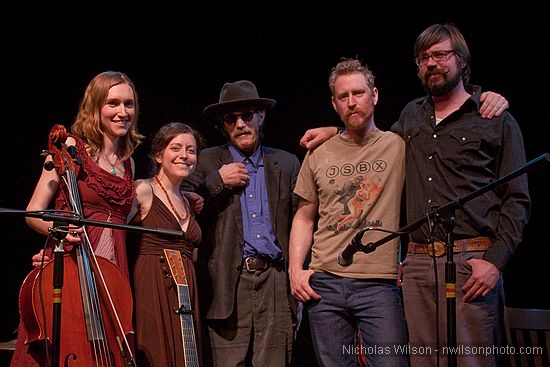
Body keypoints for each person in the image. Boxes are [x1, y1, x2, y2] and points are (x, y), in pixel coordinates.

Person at [390, 23, 530, 367]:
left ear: (462, 61)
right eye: (423, 58)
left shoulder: (495, 118)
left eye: (440, 54)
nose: (431, 63)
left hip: (472, 263)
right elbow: (375, 153)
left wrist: (494, 262)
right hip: (419, 265)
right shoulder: (411, 115)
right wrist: (334, 131)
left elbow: (517, 200)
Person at [11, 70, 143, 367]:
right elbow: (33, 212)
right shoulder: (69, 149)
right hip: (73, 263)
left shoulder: (129, 162)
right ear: (95, 107)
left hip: (113, 275)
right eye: (113, 104)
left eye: (129, 104)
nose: (123, 112)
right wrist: (58, 230)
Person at [288, 58, 409, 367]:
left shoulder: (397, 145)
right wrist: (295, 270)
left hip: (379, 282)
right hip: (325, 281)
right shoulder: (318, 153)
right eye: (344, 97)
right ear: (334, 103)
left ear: (375, 95)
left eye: (358, 93)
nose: (352, 102)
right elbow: (304, 216)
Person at [181, 80, 301, 367]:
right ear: (223, 125)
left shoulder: (286, 163)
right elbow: (182, 210)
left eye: (247, 115)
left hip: (274, 280)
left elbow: (304, 224)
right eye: (230, 118)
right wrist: (217, 182)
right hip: (226, 285)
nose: (240, 124)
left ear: (261, 116)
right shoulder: (207, 161)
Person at [129, 122, 204, 367]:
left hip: (185, 290)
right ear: (159, 155)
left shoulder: (188, 202)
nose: (184, 155)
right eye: (176, 148)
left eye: (191, 150)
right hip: (151, 285)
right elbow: (111, 232)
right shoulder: (143, 189)